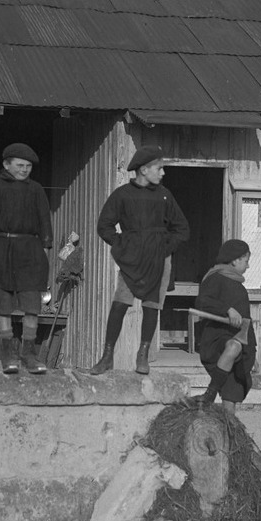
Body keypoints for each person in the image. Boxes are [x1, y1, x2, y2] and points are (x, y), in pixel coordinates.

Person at [88, 145, 189, 375]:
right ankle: (107, 356)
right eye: (159, 168)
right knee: (120, 303)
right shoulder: (123, 195)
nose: (162, 173)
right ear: (144, 170)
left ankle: (142, 355)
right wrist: (122, 245)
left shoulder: (165, 195)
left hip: (159, 258)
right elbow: (104, 225)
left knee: (152, 305)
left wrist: (165, 248)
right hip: (131, 260)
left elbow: (182, 229)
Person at [0, 143, 53, 376]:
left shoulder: (36, 189)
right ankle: (8, 354)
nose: (24, 170)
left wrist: (45, 249)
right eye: (20, 165)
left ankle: (29, 353)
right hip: (0, 248)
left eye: (28, 166)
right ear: (6, 164)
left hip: (30, 250)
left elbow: (44, 221)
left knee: (31, 305)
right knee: (5, 304)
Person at [194, 239, 256, 406]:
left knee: (230, 400)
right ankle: (210, 393)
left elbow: (246, 324)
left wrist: (251, 351)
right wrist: (227, 309)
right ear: (235, 260)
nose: (247, 266)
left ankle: (229, 429)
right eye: (246, 261)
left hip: (239, 349)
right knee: (233, 346)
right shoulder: (215, 278)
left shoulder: (239, 287)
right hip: (218, 342)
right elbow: (202, 302)